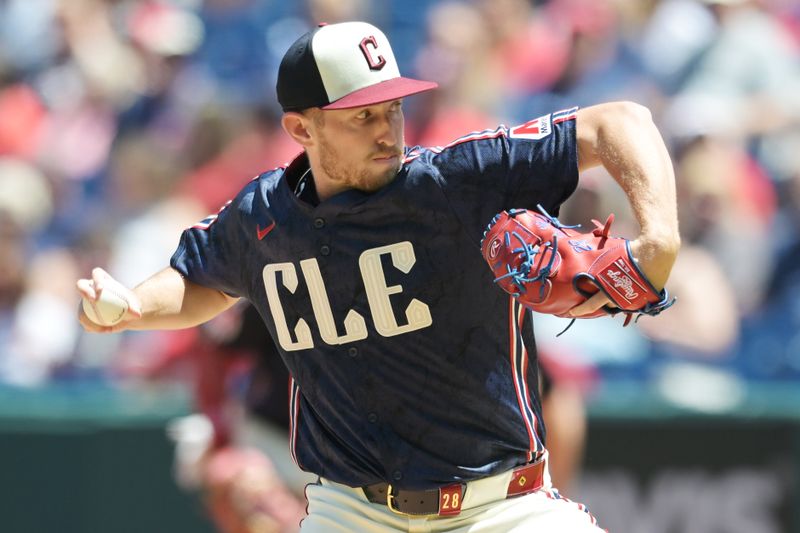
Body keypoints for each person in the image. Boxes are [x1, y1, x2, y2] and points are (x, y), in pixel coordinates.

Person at [77, 21, 679, 532]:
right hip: (352, 511)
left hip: (503, 506)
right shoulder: (262, 218)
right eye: (361, 116)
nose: (386, 130)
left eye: (392, 108)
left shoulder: (457, 180)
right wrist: (132, 304)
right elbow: (200, 279)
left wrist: (658, 240)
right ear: (300, 129)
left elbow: (619, 122)